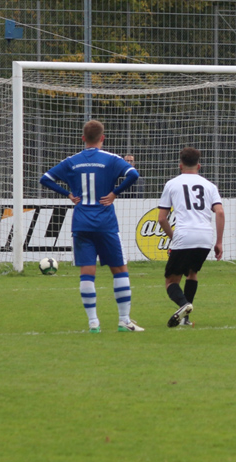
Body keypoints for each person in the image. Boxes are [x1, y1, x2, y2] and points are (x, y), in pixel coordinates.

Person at [39, 119, 144, 332]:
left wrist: (68, 194)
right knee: (119, 269)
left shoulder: (72, 161)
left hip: (81, 222)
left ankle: (93, 322)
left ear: (83, 138)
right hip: (105, 222)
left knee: (87, 271)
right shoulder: (111, 159)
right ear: (102, 138)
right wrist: (114, 193)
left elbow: (45, 178)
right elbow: (133, 174)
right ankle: (124, 320)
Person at [157, 147, 225, 328]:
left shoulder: (172, 184)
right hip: (205, 237)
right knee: (192, 273)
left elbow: (162, 218)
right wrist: (219, 242)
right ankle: (185, 319)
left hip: (184, 234)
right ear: (199, 165)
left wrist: (173, 237)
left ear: (180, 165)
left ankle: (184, 304)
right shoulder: (210, 186)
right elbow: (220, 212)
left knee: (171, 281)